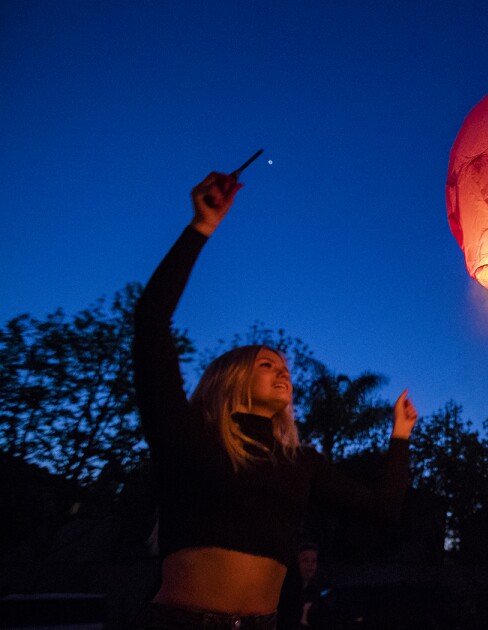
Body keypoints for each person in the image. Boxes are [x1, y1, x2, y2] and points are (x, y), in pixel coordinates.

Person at [132, 171, 419, 629]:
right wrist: (200, 228)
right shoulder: (187, 433)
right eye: (266, 364)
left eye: (284, 367)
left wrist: (400, 436)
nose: (282, 370)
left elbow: (384, 510)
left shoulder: (299, 461)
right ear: (229, 379)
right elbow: (150, 321)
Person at [278, 543, 329, 629]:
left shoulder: (317, 593)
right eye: (305, 560)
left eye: (313, 561)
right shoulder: (287, 593)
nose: (310, 564)